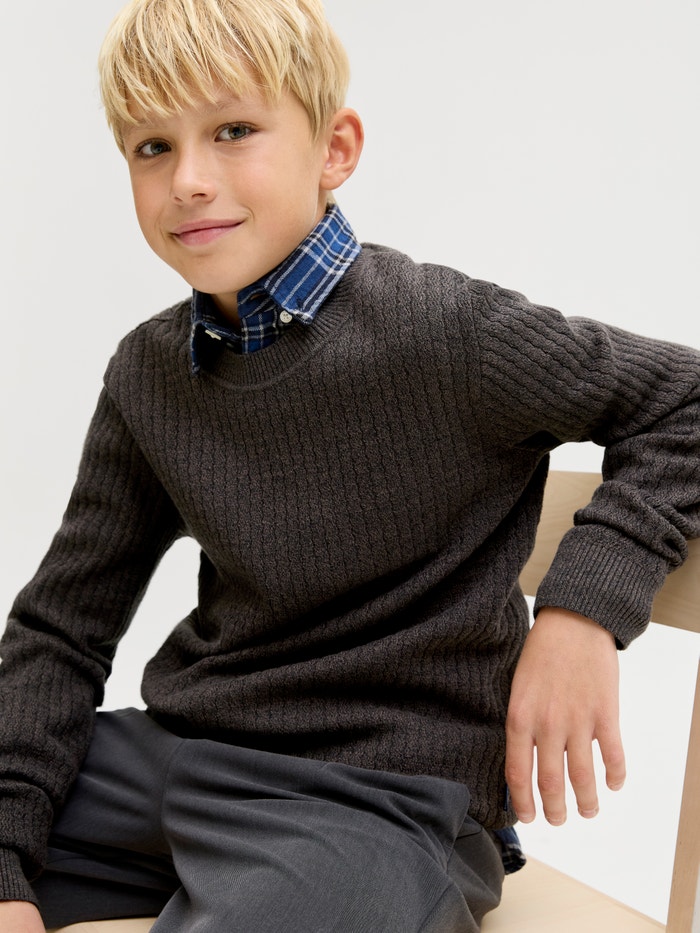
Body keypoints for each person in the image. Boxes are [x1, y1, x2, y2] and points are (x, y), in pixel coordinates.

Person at [0, 0, 698, 929]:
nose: (189, 181)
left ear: (334, 149)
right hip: (176, 757)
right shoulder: (149, 372)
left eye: (233, 130)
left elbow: (687, 399)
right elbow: (61, 628)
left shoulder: (448, 333)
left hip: (380, 801)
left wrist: (581, 612)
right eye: (152, 147)